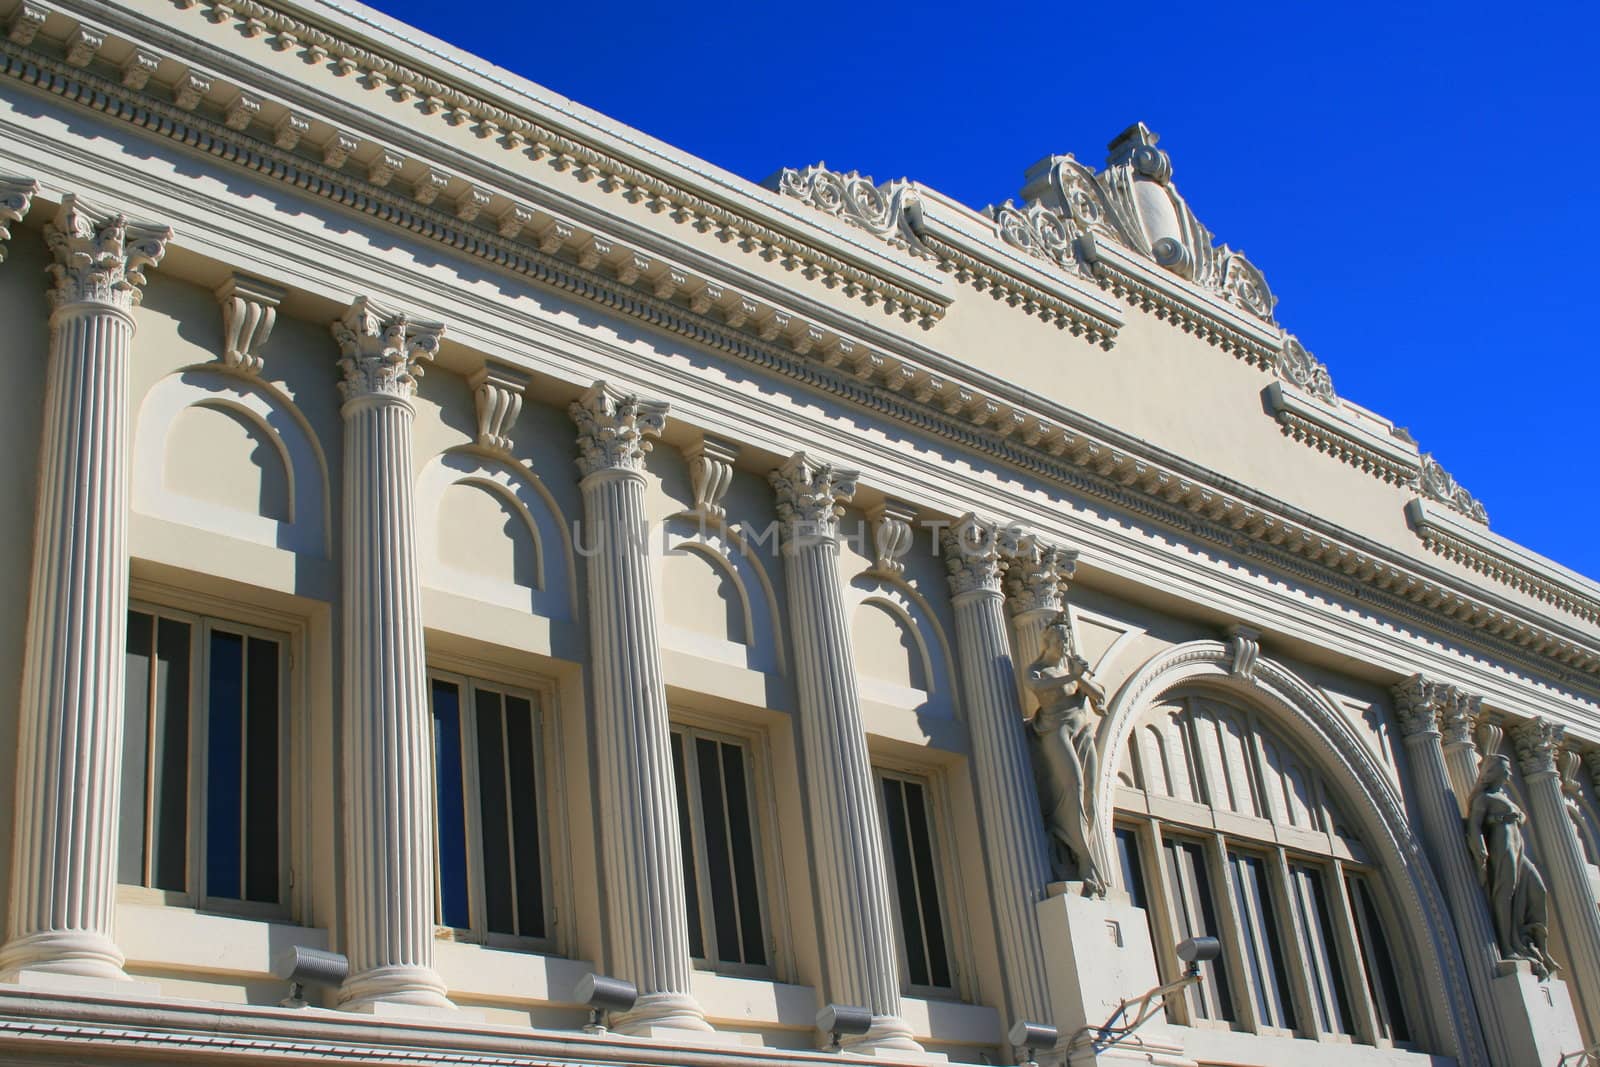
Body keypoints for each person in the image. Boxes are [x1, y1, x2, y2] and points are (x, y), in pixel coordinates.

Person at [1025, 612, 1108, 897]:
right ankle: (1081, 855)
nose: (1064, 643)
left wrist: (1081, 678)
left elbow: (1099, 699)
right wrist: (1073, 676)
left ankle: (1085, 850)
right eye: (1059, 638)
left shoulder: (1072, 671)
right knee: (1073, 787)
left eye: (1067, 638)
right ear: (1047, 641)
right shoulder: (1039, 670)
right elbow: (1036, 687)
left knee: (1090, 795)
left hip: (1083, 733)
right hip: (1056, 732)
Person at [1466, 753, 1557, 978]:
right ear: (1493, 771)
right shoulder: (1484, 798)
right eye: (1505, 769)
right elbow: (1474, 827)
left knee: (1538, 889)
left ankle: (1535, 944)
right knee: (1505, 893)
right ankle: (1508, 946)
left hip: (1519, 848)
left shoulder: (1502, 796)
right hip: (1502, 846)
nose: (1509, 773)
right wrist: (1481, 852)